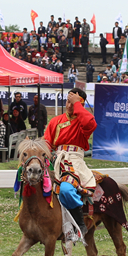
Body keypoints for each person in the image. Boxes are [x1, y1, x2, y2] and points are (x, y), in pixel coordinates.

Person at [43, 87, 97, 236]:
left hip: (74, 161)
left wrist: (77, 105)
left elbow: (90, 124)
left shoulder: (83, 122)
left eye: (72, 102)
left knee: (66, 189)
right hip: (57, 161)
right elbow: (47, 142)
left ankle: (79, 223)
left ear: (81, 105)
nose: (69, 105)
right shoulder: (56, 121)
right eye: (68, 101)